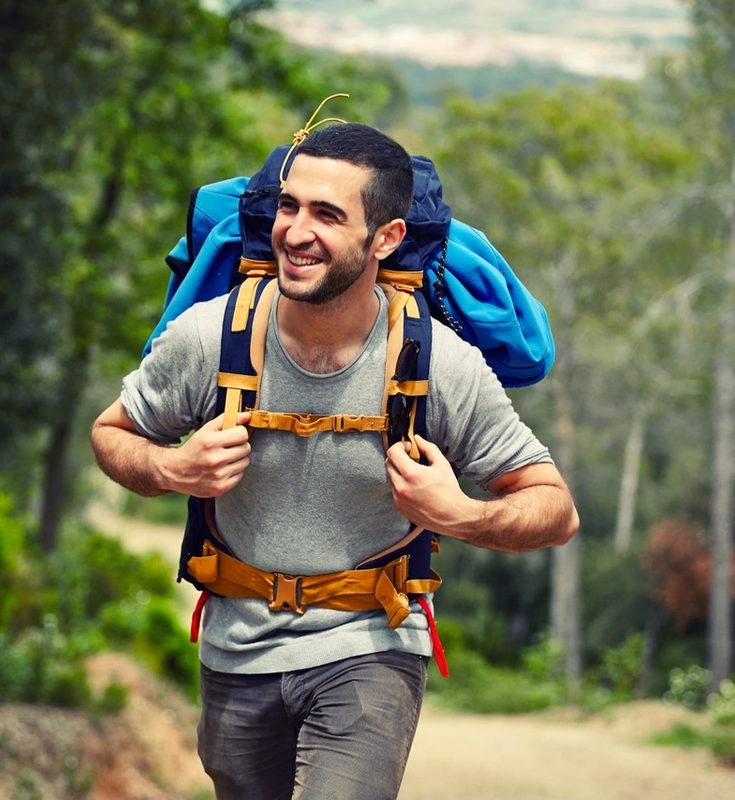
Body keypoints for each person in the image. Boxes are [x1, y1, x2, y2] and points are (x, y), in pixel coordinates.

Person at [90, 122, 579, 800]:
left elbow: (555, 508)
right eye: (289, 206)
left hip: (371, 647)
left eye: (327, 214)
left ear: (386, 238)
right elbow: (112, 434)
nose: (295, 231)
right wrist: (172, 469)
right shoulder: (211, 339)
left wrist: (460, 513)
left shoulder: (438, 363)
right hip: (236, 650)